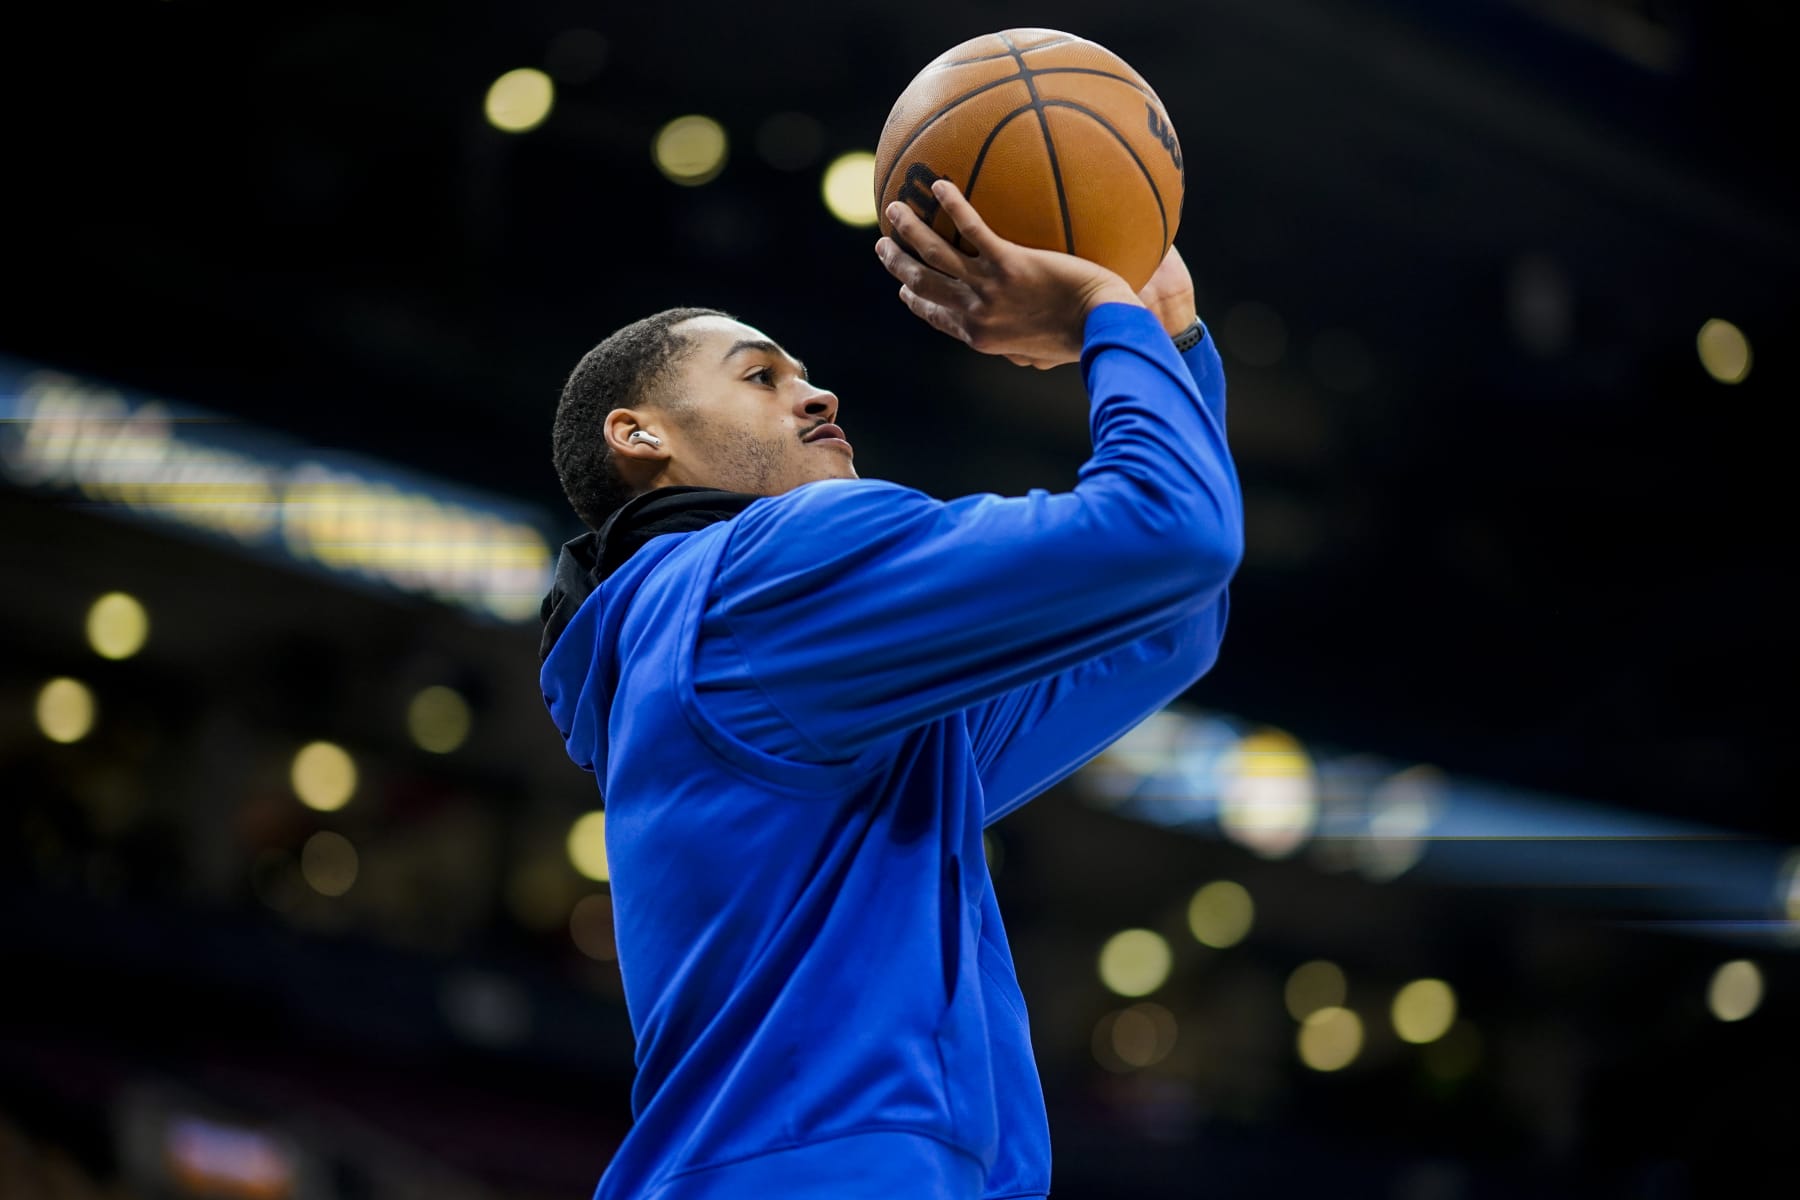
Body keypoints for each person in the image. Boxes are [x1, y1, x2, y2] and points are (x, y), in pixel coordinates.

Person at [538, 180, 1242, 1200]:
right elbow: (1173, 536)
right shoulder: (763, 573)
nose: (818, 396)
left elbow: (1168, 624)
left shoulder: (750, 653)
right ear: (641, 436)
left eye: (805, 375)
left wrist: (1169, 341)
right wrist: (1103, 314)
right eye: (762, 376)